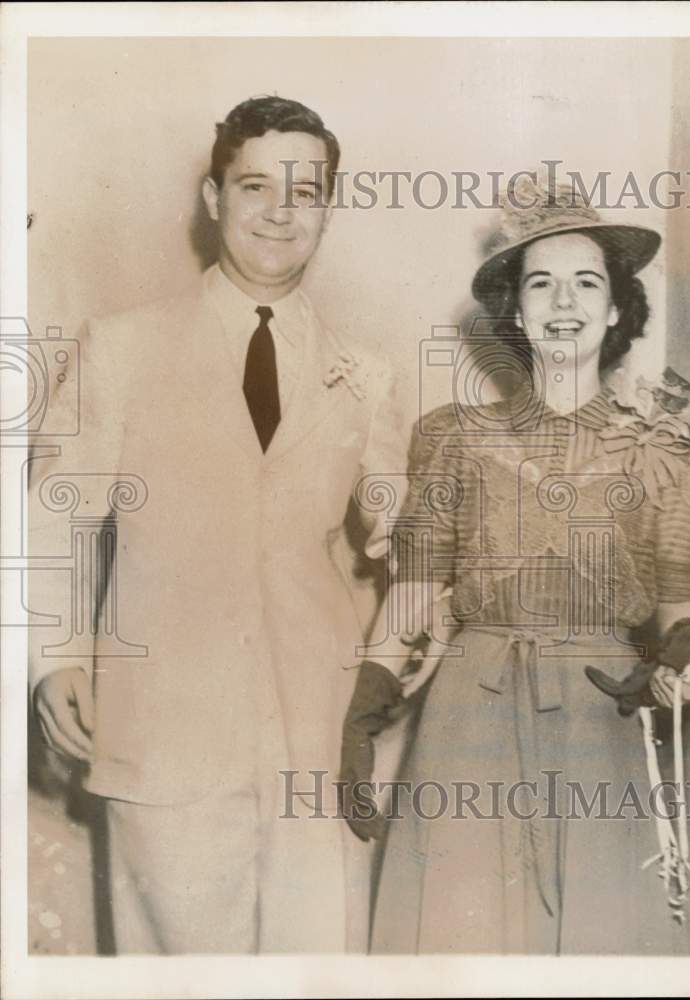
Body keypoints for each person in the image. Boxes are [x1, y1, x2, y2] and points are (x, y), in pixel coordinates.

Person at [28, 96, 405, 954]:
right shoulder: (119, 348)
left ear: (327, 208)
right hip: (162, 729)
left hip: (316, 734)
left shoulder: (368, 375)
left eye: (305, 191)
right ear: (212, 198)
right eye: (255, 186)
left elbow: (410, 542)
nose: (280, 210)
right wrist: (53, 660)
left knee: (315, 971)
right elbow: (53, 522)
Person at [340, 178, 690, 953]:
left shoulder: (666, 449)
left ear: (616, 308)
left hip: (599, 712)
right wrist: (366, 702)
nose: (563, 301)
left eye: (586, 281)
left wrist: (673, 654)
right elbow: (413, 591)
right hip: (466, 719)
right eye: (540, 283)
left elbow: (679, 601)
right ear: (514, 310)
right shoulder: (453, 436)